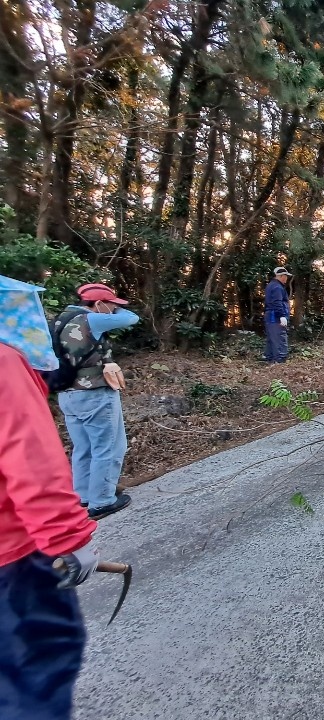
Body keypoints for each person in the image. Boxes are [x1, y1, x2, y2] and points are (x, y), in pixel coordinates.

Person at [0, 274, 100, 720]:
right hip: (12, 558)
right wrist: (67, 539)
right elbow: (31, 462)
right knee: (34, 677)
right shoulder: (4, 365)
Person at [54, 283, 139, 520]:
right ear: (99, 304)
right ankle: (102, 501)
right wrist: (115, 312)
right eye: (111, 306)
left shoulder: (62, 319)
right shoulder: (92, 319)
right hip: (94, 393)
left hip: (68, 394)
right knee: (109, 447)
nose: (113, 311)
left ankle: (83, 497)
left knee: (83, 448)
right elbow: (132, 318)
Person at [263, 267, 292, 363]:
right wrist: (282, 316)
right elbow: (277, 302)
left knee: (272, 338)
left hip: (270, 316)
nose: (286, 279)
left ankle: (270, 358)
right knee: (279, 337)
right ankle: (279, 360)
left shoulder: (271, 285)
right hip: (275, 317)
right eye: (286, 276)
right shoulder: (277, 287)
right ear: (282, 276)